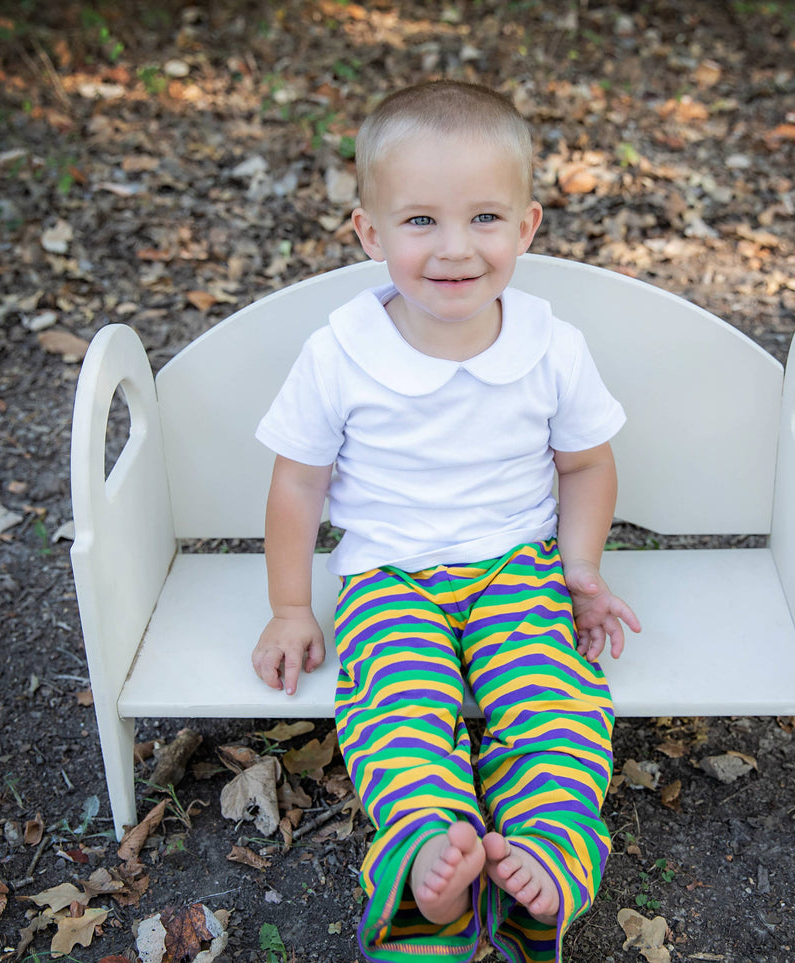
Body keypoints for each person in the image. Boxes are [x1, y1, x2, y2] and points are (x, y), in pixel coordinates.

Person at [251, 80, 640, 963]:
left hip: (516, 568)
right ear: (369, 232)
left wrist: (579, 569)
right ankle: (429, 857)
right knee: (396, 707)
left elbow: (584, 464)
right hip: (387, 575)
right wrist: (289, 606)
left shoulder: (549, 345)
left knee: (556, 702)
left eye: (484, 219)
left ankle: (547, 847)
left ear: (528, 227)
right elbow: (297, 486)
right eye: (419, 221)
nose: (454, 249)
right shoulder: (342, 351)